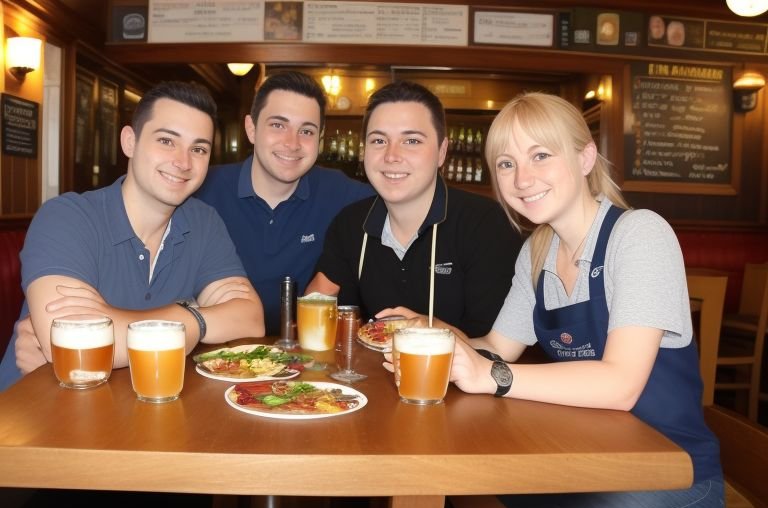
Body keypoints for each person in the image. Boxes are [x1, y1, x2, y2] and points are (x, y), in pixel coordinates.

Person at [386, 92, 723, 508]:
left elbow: (620, 385)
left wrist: (496, 377)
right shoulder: (537, 252)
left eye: (540, 155)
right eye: (506, 164)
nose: (522, 179)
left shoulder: (639, 234)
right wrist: (430, 331)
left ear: (585, 159)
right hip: (580, 455)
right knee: (463, 485)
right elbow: (495, 348)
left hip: (669, 471)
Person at [0, 81, 265, 391]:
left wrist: (181, 320)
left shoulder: (204, 221)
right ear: (130, 141)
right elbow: (78, 351)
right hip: (34, 422)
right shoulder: (67, 216)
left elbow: (250, 319)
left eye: (198, 148)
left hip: (136, 412)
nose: (183, 161)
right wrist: (195, 318)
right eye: (167, 141)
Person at [306, 81, 523, 337]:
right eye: (378, 140)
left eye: (411, 140)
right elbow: (327, 315)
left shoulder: (486, 225)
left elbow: (494, 348)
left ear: (442, 151)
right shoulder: (350, 225)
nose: (391, 156)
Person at [195, 71, 373, 335]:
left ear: (320, 140)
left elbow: (405, 204)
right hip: (218, 354)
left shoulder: (341, 192)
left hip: (307, 357)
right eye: (278, 125)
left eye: (307, 131)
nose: (293, 143)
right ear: (251, 128)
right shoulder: (202, 189)